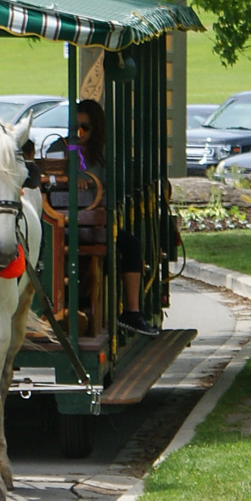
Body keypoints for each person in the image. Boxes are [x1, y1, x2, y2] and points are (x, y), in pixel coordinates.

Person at [72, 98, 159, 337]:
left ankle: (131, 311)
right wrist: (69, 179)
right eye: (75, 126)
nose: (79, 132)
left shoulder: (105, 156)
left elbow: (115, 186)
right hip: (64, 226)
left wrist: (90, 181)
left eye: (85, 127)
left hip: (96, 227)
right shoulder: (60, 149)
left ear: (96, 128)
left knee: (130, 245)